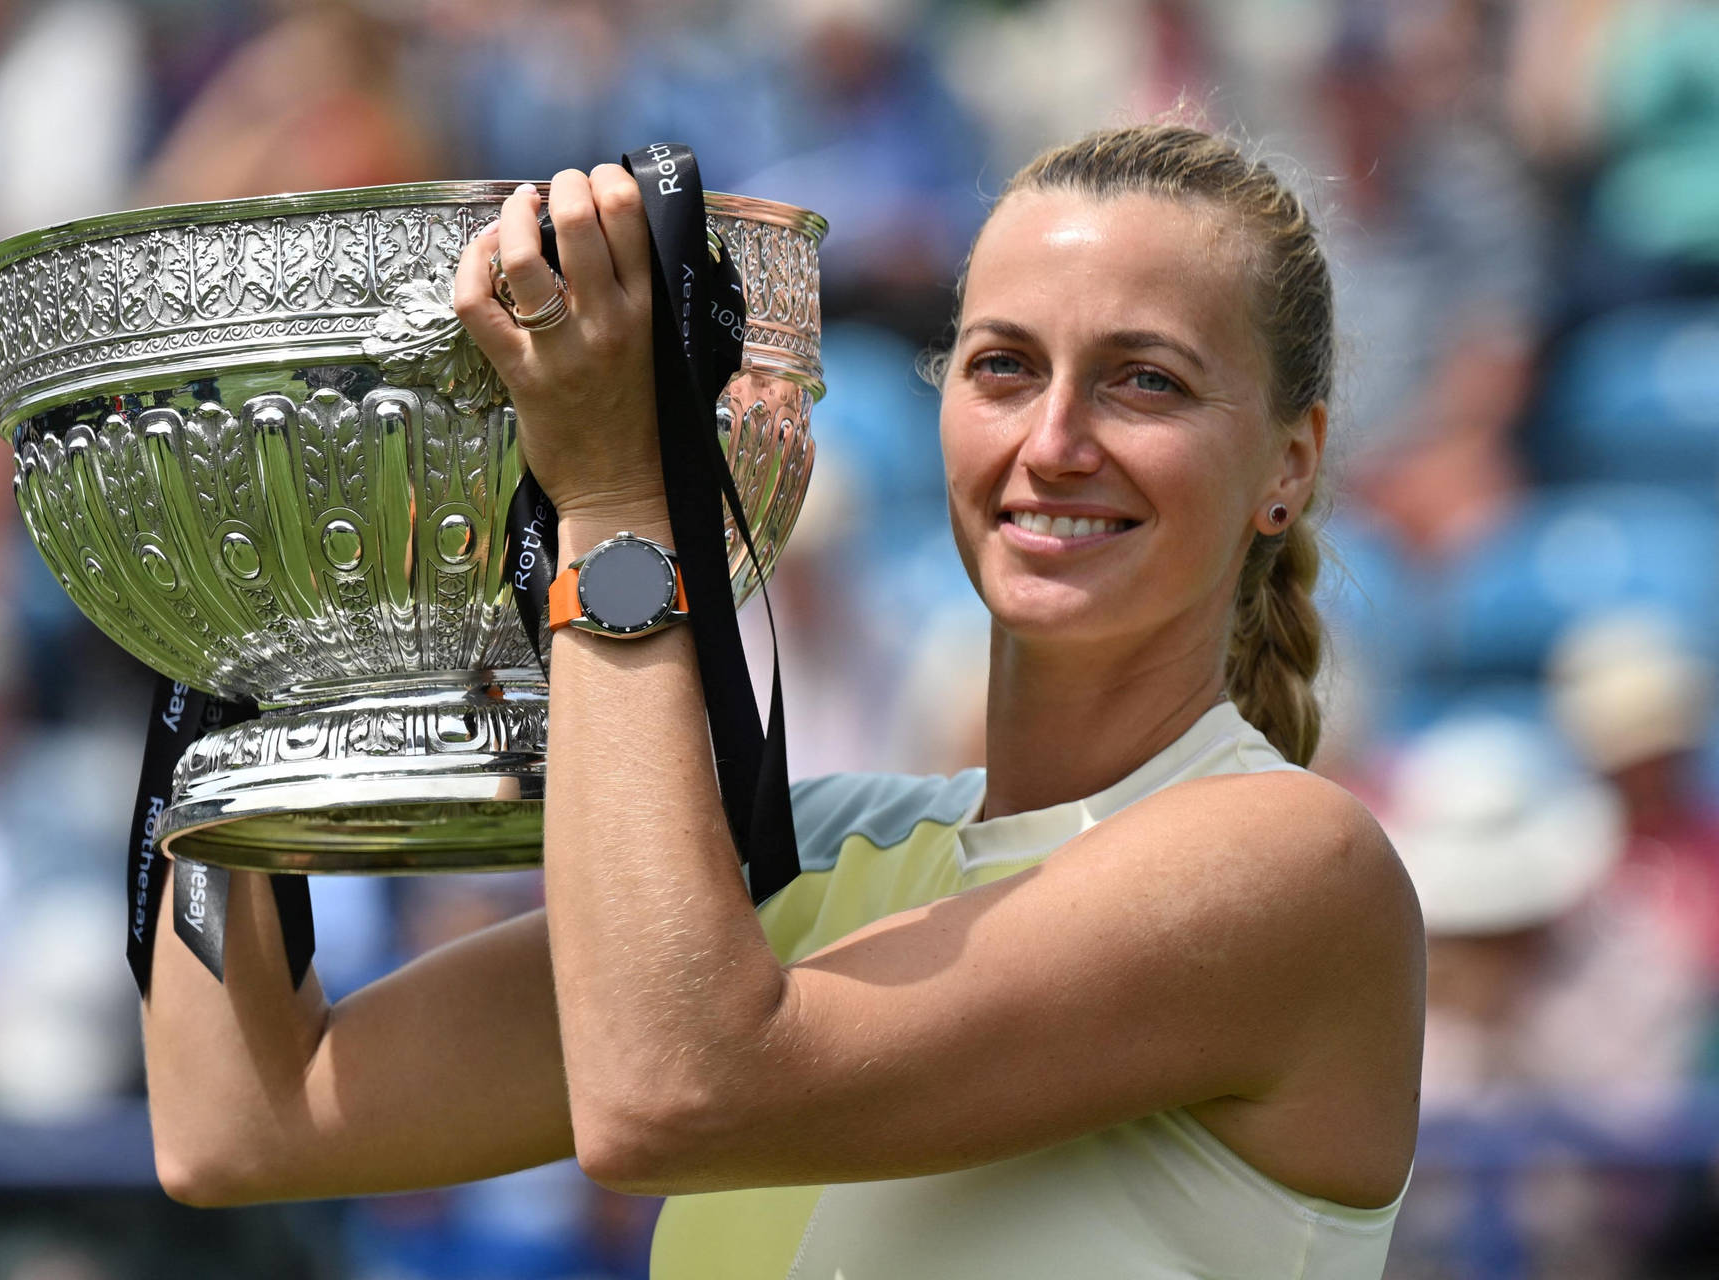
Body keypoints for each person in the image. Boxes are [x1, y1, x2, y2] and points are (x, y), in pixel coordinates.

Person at [140, 124, 1425, 1278]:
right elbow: (247, 1116)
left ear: (1289, 462)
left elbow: (670, 1091)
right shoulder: (814, 845)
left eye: (1147, 378)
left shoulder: (1297, 868)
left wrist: (617, 504)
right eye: (1004, 367)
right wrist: (235, 592)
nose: (1054, 440)